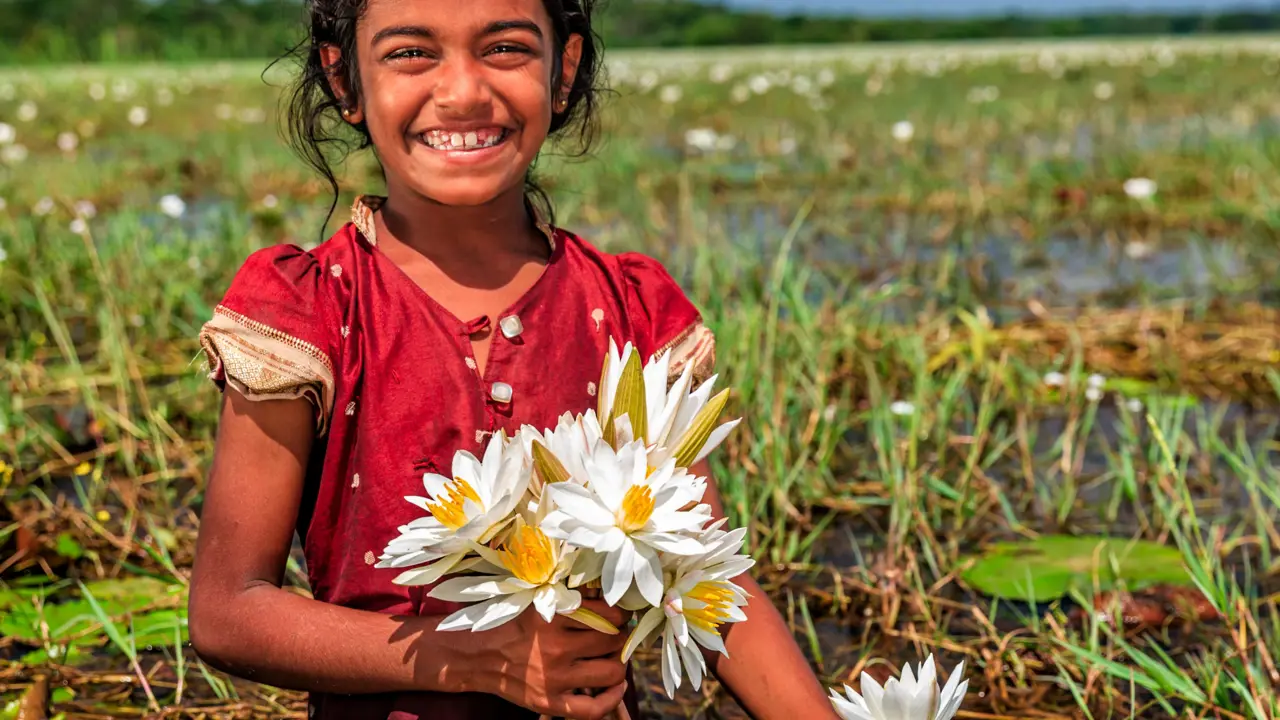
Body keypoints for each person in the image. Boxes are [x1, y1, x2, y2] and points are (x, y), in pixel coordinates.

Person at [186, 1, 837, 718]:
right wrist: (473, 660)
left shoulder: (630, 311)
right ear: (344, 84)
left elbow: (712, 583)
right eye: (410, 53)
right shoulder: (308, 313)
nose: (463, 91)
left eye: (504, 49)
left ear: (564, 72)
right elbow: (227, 610)